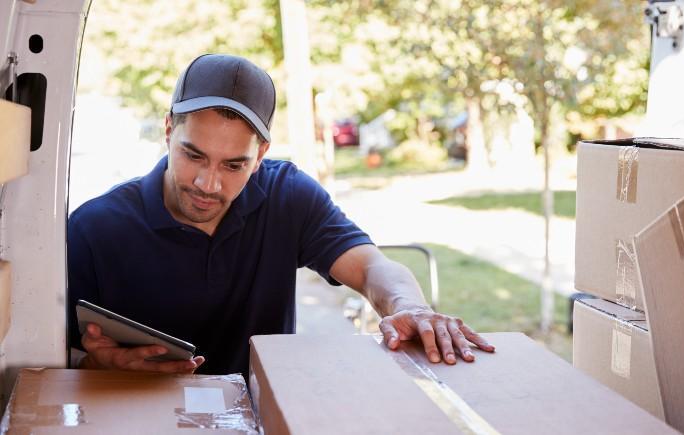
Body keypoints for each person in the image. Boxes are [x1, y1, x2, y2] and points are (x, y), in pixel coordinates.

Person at [68, 54, 494, 376]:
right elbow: (52, 362)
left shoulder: (286, 194)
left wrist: (410, 307)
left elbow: (370, 267)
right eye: (193, 155)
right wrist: (94, 366)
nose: (208, 184)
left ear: (261, 156)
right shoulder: (93, 227)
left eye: (233, 165)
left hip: (263, 411)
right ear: (167, 130)